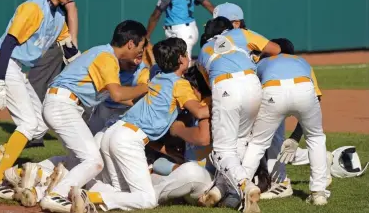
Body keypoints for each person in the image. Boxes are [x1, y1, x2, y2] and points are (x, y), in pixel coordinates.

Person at [68, 37, 210, 212]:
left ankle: (81, 195)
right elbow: (200, 112)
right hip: (129, 139)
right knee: (147, 200)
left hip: (113, 133)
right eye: (187, 54)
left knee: (123, 192)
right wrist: (217, 101)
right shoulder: (180, 84)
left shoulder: (157, 78)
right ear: (181, 58)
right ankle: (90, 197)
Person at [0, 0, 77, 200]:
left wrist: (86, 69)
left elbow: (69, 49)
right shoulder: (34, 8)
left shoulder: (59, 15)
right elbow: (8, 43)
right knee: (29, 124)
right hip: (5, 62)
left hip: (16, 68)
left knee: (40, 125)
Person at [38, 20, 150, 212]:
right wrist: (148, 87)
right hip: (62, 105)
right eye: (141, 46)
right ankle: (58, 195)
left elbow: (120, 98)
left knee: (78, 160)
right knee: (94, 161)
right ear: (130, 43)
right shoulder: (107, 58)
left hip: (63, 103)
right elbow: (117, 94)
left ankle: (37, 178)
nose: (142, 51)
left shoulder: (103, 53)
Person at [196, 15, 281, 213]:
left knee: (221, 150)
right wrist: (251, 55)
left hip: (225, 85)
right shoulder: (241, 33)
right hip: (252, 82)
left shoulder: (202, 51)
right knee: (241, 140)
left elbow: (208, 82)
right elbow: (275, 49)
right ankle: (219, 190)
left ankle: (245, 186)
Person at [240, 38, 329, 206]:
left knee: (257, 144)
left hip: (273, 91)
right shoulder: (302, 62)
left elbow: (252, 97)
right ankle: (318, 194)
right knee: (316, 138)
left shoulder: (261, 63)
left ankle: (241, 189)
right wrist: (295, 137)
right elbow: (316, 98)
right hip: (304, 88)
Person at [27, 0, 79, 148]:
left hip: (54, 39)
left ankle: (35, 134)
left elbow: (71, 9)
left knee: (32, 84)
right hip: (43, 40)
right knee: (51, 86)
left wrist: (72, 41)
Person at [146, 0, 214, 65]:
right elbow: (207, 4)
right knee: (175, 65)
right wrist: (222, 18)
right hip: (187, 30)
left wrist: (147, 36)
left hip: (181, 32)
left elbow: (156, 15)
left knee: (183, 66)